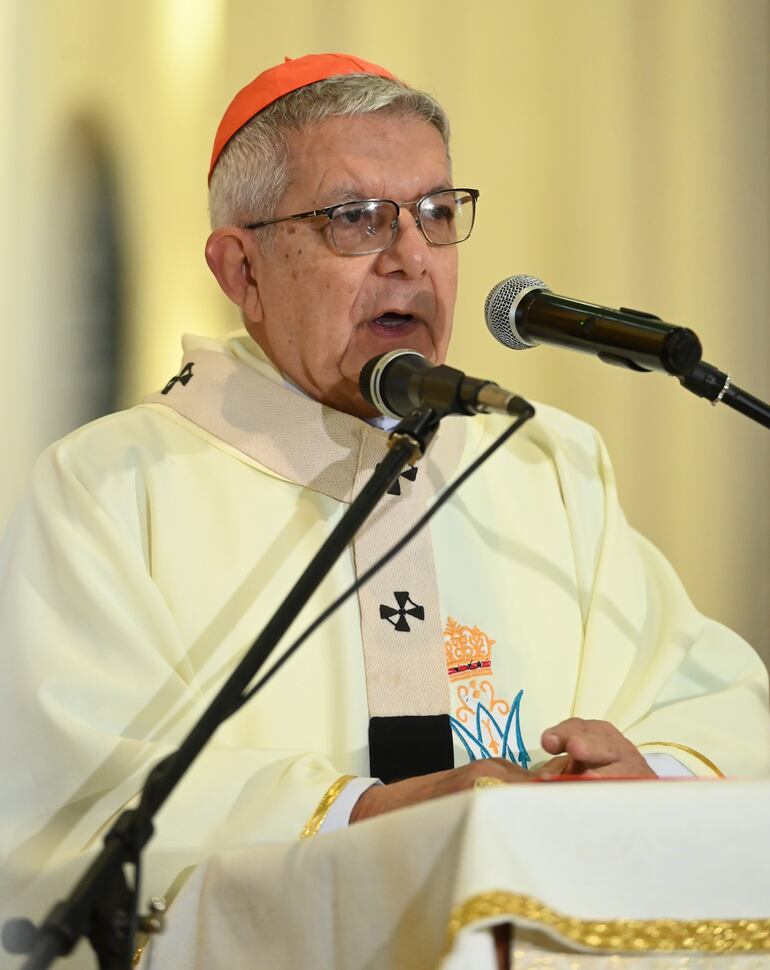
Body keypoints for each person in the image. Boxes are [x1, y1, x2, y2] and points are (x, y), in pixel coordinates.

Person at [1, 52, 768, 955]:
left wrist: (645, 777)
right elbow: (75, 789)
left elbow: (714, 706)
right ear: (240, 269)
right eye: (355, 220)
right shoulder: (112, 487)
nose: (411, 257)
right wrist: (371, 815)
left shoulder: (545, 462)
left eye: (438, 214)